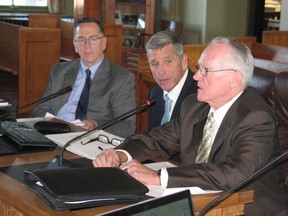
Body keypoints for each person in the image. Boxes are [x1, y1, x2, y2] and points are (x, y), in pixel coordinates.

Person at [93, 37, 288, 215]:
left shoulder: (256, 117)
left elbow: (233, 173)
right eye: (198, 68)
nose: (195, 77)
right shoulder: (194, 105)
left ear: (234, 79)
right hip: (202, 200)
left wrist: (159, 177)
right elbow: (158, 139)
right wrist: (120, 154)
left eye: (205, 71)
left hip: (248, 208)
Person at [32, 17, 136, 138]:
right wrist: (53, 126)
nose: (87, 45)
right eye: (81, 40)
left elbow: (127, 126)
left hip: (92, 140)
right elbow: (39, 111)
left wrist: (96, 125)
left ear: (104, 43)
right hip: (54, 134)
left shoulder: (122, 78)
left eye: (93, 39)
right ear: (75, 45)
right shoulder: (59, 72)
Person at [146, 30, 197, 130]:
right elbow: (152, 138)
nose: (161, 71)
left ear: (183, 61)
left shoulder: (199, 94)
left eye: (168, 61)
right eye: (155, 64)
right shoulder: (154, 94)